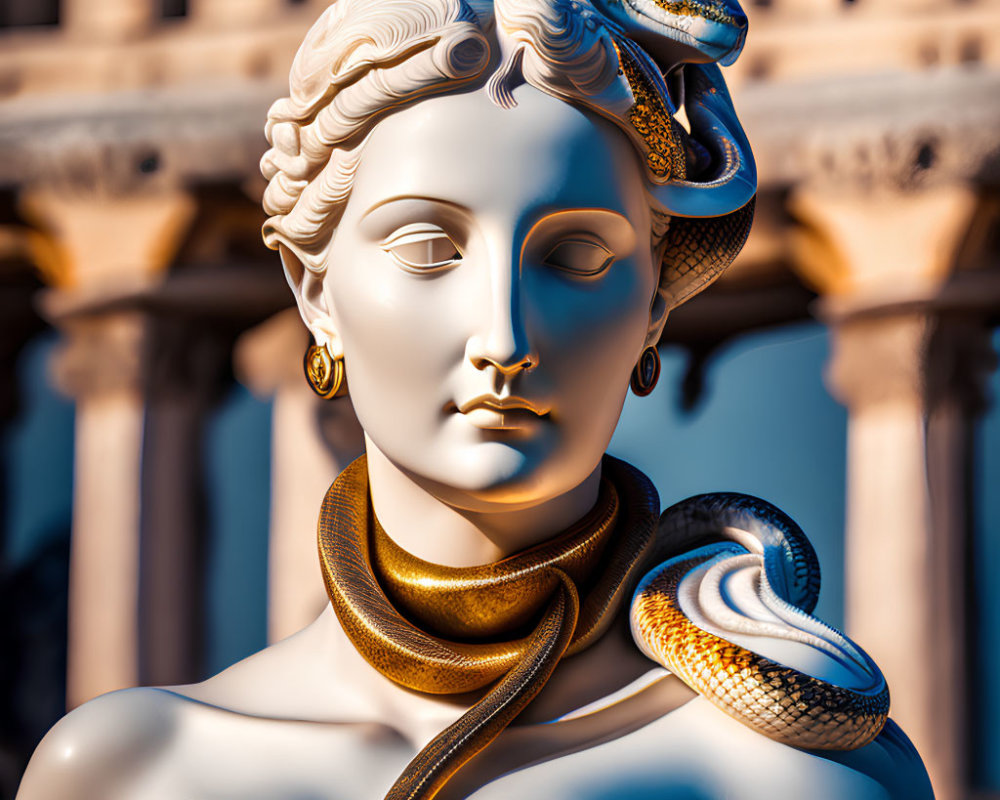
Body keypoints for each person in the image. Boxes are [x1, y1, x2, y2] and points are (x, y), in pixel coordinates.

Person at [17, 1, 933, 798]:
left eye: (577, 257)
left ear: (656, 303)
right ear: (313, 289)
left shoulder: (799, 778)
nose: (504, 337)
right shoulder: (127, 772)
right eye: (428, 249)